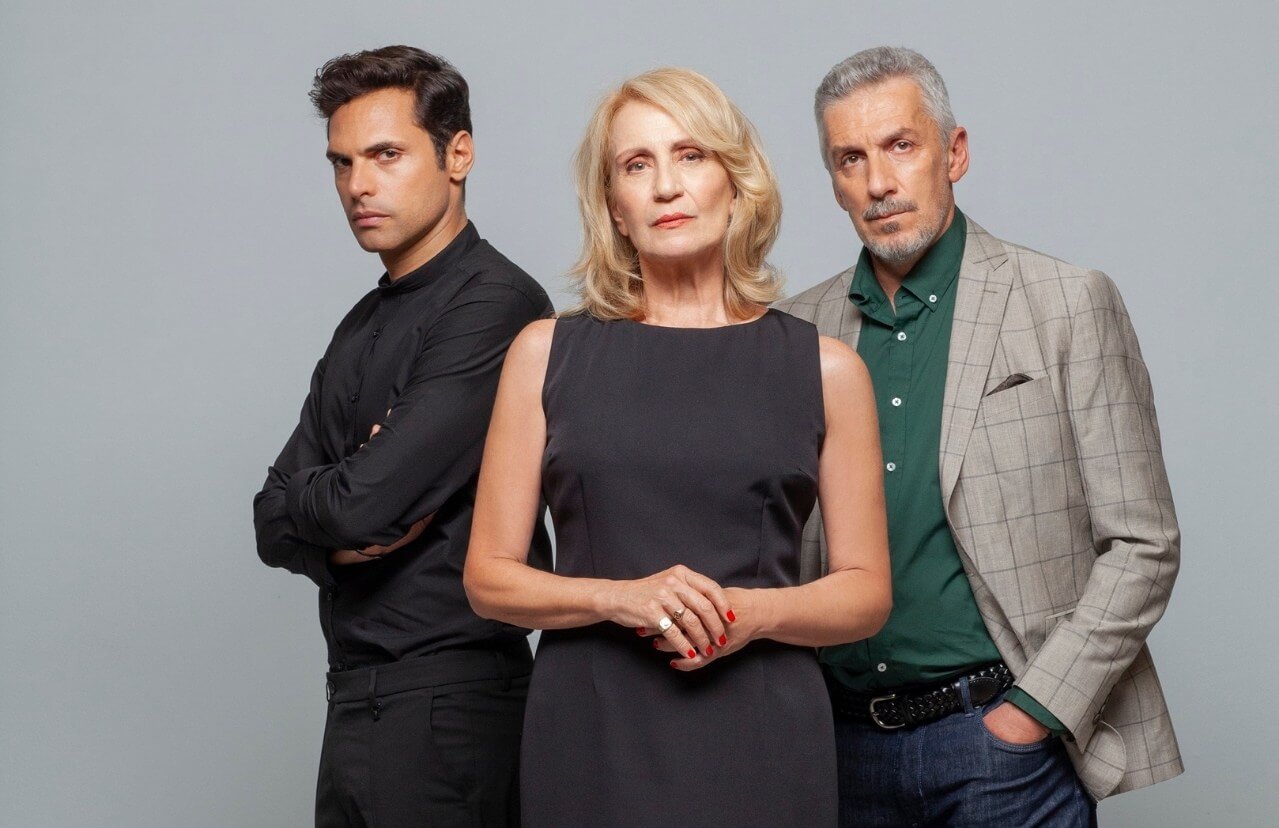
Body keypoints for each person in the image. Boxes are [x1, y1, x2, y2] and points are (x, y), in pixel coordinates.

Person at [464, 67, 891, 826]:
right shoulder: (543, 353)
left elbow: (865, 594)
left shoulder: (827, 370)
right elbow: (488, 580)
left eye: (690, 155)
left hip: (763, 731)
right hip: (591, 727)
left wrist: (748, 614)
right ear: (614, 207)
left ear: (736, 182)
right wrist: (615, 597)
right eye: (637, 165)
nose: (666, 186)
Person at [774, 46, 1182, 825]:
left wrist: (1033, 713)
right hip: (836, 748)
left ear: (953, 152)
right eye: (850, 158)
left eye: (900, 145)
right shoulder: (792, 333)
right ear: (832, 181)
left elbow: (1144, 544)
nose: (878, 182)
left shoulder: (1065, 303)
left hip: (1000, 744)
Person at [252, 45, 553, 827]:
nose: (358, 184)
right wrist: (337, 527)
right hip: (355, 697)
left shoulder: (495, 304)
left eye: (386, 154)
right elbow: (269, 519)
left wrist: (338, 499)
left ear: (458, 155)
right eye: (342, 162)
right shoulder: (361, 322)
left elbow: (359, 503)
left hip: (451, 704)